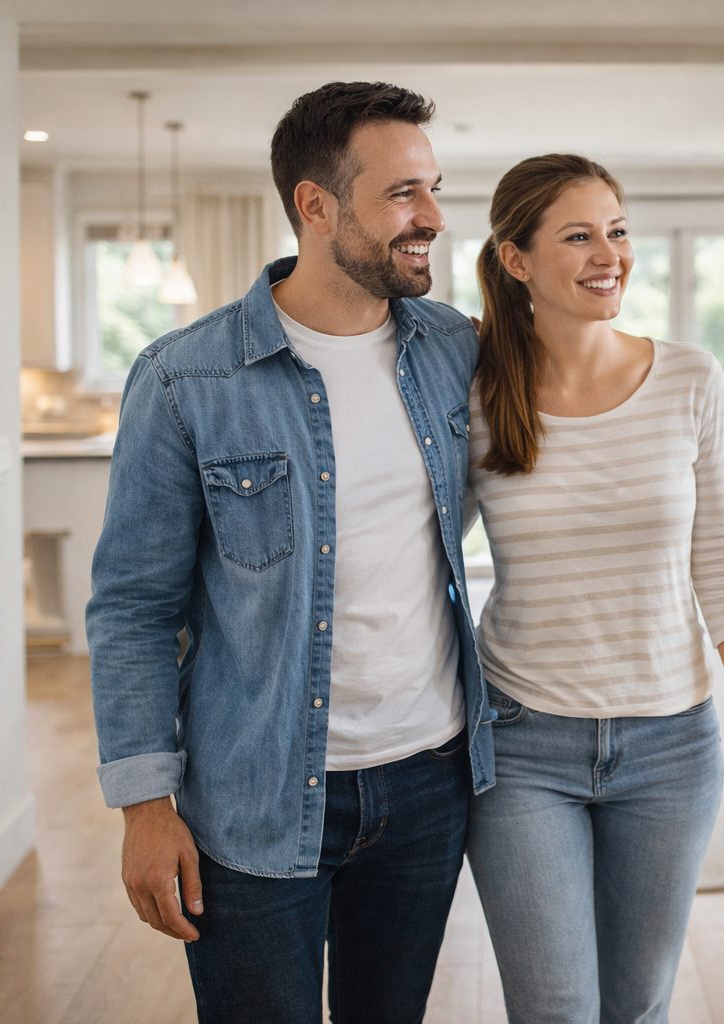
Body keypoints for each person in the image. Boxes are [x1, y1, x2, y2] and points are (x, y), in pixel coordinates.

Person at [86, 81, 492, 1023]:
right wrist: (145, 806)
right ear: (316, 205)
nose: (433, 218)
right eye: (402, 194)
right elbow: (133, 607)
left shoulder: (454, 350)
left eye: (433, 189)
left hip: (428, 779)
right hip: (255, 793)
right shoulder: (186, 377)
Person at [463, 153, 724, 1023]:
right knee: (554, 1009)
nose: (610, 255)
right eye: (579, 236)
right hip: (521, 742)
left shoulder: (691, 378)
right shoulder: (476, 393)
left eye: (619, 230)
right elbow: (422, 549)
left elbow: (722, 554)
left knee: (637, 1006)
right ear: (516, 259)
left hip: (671, 743)